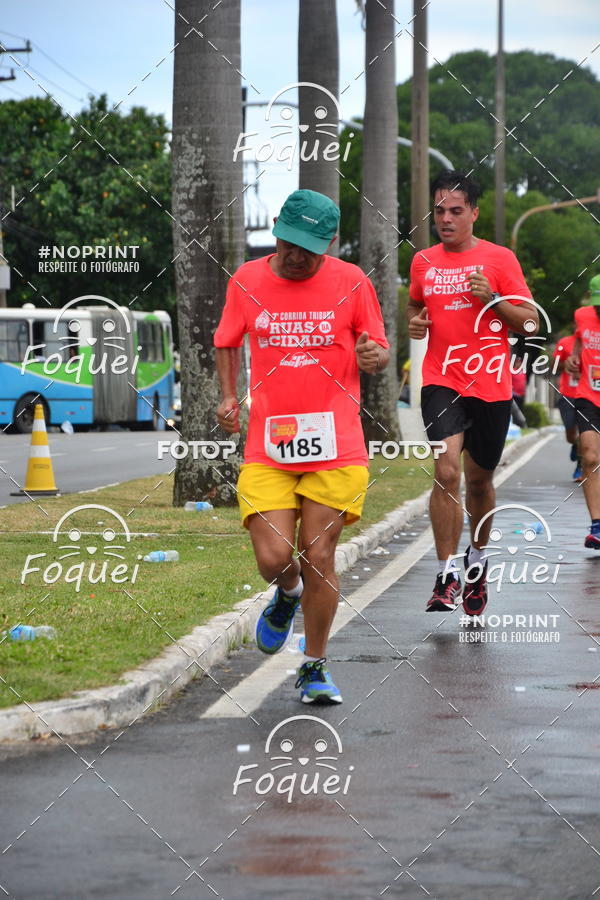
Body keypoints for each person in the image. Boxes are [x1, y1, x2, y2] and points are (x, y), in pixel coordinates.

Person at [214, 189, 389, 704]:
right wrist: (229, 396)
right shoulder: (247, 281)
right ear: (276, 229)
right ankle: (287, 592)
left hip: (338, 444)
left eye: (308, 249)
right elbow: (226, 340)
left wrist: (373, 356)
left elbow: (378, 347)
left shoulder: (352, 282)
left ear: (330, 243)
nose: (296, 256)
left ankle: (314, 665)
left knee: (319, 553)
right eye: (288, 243)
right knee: (273, 557)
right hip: (270, 445)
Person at [407, 171, 539, 616]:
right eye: (439, 211)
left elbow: (529, 322)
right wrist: (415, 322)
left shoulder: (500, 259)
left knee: (479, 481)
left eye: (455, 211)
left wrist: (492, 299)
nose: (445, 219)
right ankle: (445, 575)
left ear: (474, 214)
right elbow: (415, 303)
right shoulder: (423, 261)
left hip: (490, 384)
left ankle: (477, 563)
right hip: (441, 380)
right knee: (446, 472)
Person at [565, 274, 600, 549]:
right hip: (588, 395)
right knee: (589, 455)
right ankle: (597, 526)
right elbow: (578, 343)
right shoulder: (582, 315)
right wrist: (573, 359)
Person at [553, 333, 582, 481]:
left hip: (588, 396)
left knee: (586, 434)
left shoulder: (594, 342)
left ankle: (581, 466)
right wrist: (567, 364)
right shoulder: (565, 342)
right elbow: (554, 366)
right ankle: (576, 445)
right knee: (571, 436)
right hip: (568, 395)